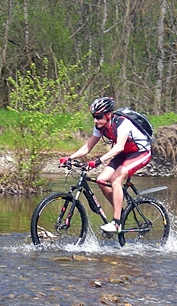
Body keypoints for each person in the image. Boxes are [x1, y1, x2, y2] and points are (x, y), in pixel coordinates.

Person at [59, 96, 152, 233]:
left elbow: (119, 147)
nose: (95, 120)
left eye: (99, 116)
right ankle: (120, 211)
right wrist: (70, 158)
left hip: (141, 152)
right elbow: (88, 147)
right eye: (94, 117)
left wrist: (98, 161)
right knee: (101, 180)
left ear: (108, 115)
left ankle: (116, 223)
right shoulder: (100, 127)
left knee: (115, 180)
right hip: (125, 153)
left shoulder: (122, 123)